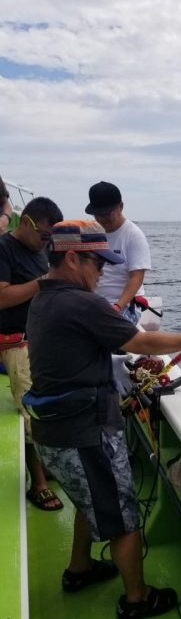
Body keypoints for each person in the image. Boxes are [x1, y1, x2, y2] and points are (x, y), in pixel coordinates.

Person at [25, 219, 181, 619]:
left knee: (87, 499)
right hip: (83, 433)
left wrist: (105, 365)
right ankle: (137, 599)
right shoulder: (81, 302)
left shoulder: (44, 298)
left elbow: (72, 351)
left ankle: (80, 569)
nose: (105, 271)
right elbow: (140, 341)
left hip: (53, 433)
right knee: (122, 517)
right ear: (73, 258)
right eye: (98, 263)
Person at [0, 196, 64, 510]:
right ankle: (37, 484)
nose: (46, 243)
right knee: (30, 413)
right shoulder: (3, 249)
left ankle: (46, 465)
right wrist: (43, 282)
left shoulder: (39, 252)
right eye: (44, 236)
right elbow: (2, 298)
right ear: (26, 222)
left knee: (49, 405)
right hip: (13, 343)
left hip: (39, 340)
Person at [85, 181, 151, 323]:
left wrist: (117, 307)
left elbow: (137, 278)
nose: (102, 218)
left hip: (125, 305)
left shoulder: (134, 235)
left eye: (107, 213)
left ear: (121, 207)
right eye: (98, 214)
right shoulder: (91, 232)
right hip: (95, 303)